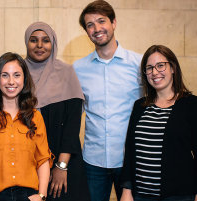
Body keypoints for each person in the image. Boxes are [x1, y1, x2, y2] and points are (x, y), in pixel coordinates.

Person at [73, 1, 142, 200]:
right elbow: (75, 113)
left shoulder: (138, 64)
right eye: (90, 25)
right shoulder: (78, 69)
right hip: (93, 162)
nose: (96, 29)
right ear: (86, 31)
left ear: (114, 22)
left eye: (101, 21)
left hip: (130, 159)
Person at [0, 52, 52, 201]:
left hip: (29, 196)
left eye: (17, 75)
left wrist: (42, 196)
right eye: (5, 75)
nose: (11, 81)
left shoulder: (35, 117)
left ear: (24, 79)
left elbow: (43, 159)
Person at [120, 45, 197, 201]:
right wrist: (127, 190)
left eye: (160, 65)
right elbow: (130, 151)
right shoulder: (139, 106)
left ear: (173, 67)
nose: (155, 72)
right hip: (141, 195)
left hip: (179, 195)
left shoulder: (191, 105)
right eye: (149, 68)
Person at [24, 22, 90, 201]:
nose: (39, 45)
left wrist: (61, 166)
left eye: (45, 40)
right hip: (27, 165)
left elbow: (72, 125)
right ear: (26, 43)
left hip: (63, 163)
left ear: (53, 43)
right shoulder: (18, 73)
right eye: (33, 40)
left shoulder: (66, 72)